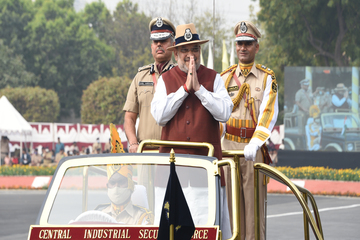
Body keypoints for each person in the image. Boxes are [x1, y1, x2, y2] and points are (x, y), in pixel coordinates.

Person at [220, 20, 279, 240]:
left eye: (247, 43)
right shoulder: (224, 77)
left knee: (253, 214)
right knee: (230, 211)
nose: (242, 47)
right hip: (228, 150)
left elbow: (268, 113)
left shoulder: (267, 78)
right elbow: (217, 116)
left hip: (252, 150)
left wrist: (256, 143)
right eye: (239, 43)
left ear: (256, 46)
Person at [151, 23, 233, 159]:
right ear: (176, 54)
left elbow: (225, 113)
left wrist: (200, 90)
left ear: (200, 51)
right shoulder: (165, 79)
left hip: (206, 161)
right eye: (185, 50)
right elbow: (160, 117)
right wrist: (184, 90)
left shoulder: (214, 77)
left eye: (194, 49)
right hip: (173, 162)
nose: (191, 55)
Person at [123, 17, 176, 153]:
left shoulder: (180, 75)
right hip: (145, 151)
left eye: (163, 41)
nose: (159, 44)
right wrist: (133, 143)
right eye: (155, 41)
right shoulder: (140, 76)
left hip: (173, 152)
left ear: (173, 43)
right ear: (151, 46)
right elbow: (129, 117)